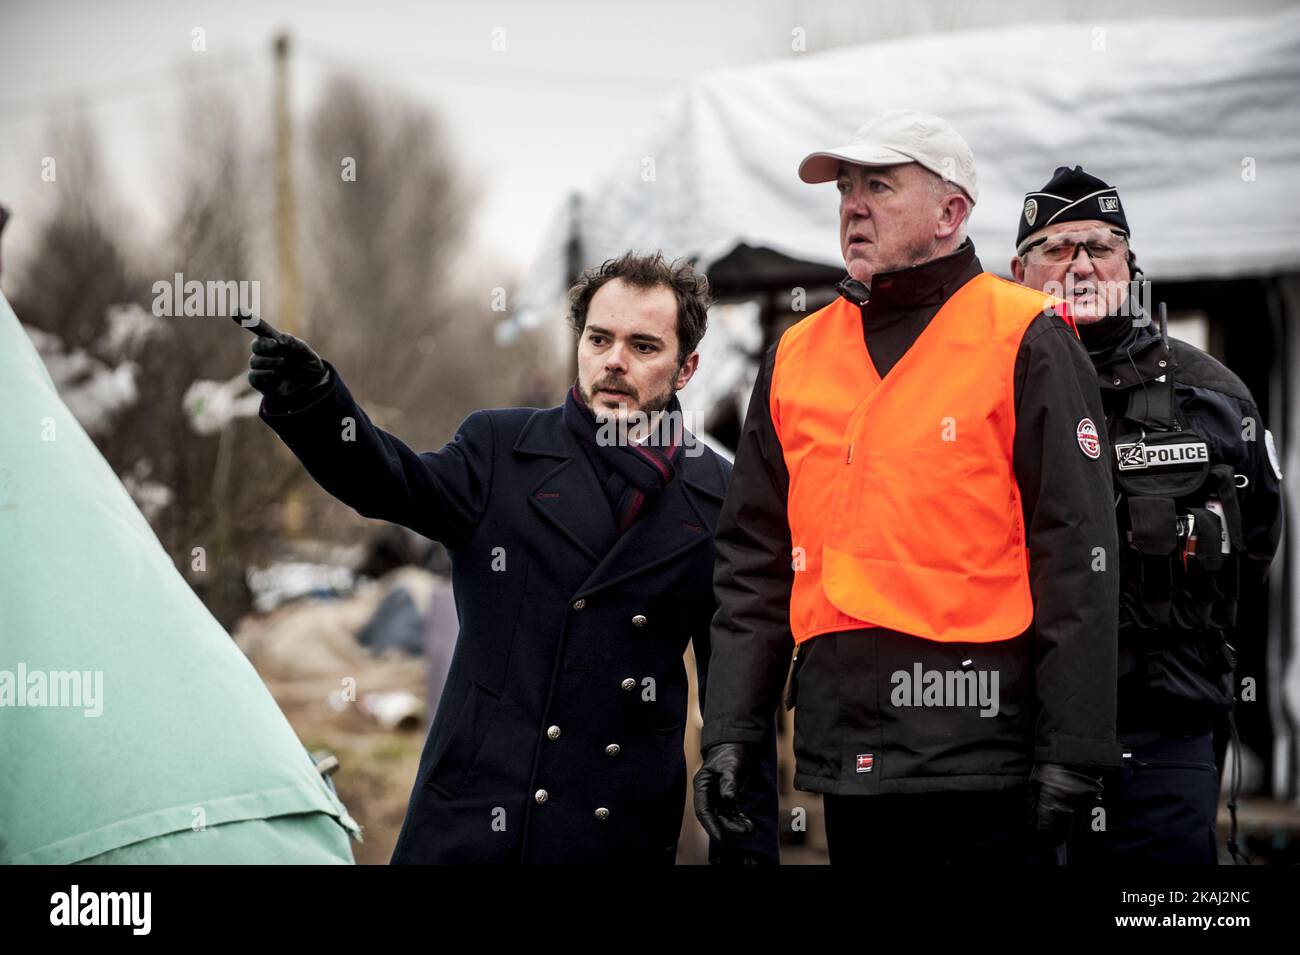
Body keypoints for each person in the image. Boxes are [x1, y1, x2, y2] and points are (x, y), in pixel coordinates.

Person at [237, 250, 779, 864]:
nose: (614, 362)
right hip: (476, 815)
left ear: (687, 368)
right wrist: (316, 404)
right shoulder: (501, 450)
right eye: (598, 339)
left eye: (643, 346)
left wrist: (746, 856)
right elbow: (389, 482)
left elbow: (738, 697)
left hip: (616, 827)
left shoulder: (716, 496)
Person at [693, 111, 1120, 864]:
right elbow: (754, 560)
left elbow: (1078, 553)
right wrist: (732, 728)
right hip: (848, 756)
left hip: (987, 760)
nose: (853, 205)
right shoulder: (797, 355)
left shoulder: (1027, 334)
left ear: (951, 211)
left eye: (880, 186)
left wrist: (1075, 746)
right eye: (846, 189)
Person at [1011, 166, 1284, 863]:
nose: (1080, 264)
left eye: (1100, 246)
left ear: (1130, 262)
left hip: (1164, 729)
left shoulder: (1213, 396)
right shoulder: (983, 389)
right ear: (1019, 269)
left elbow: (1255, 544)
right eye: (1057, 247)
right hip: (1015, 729)